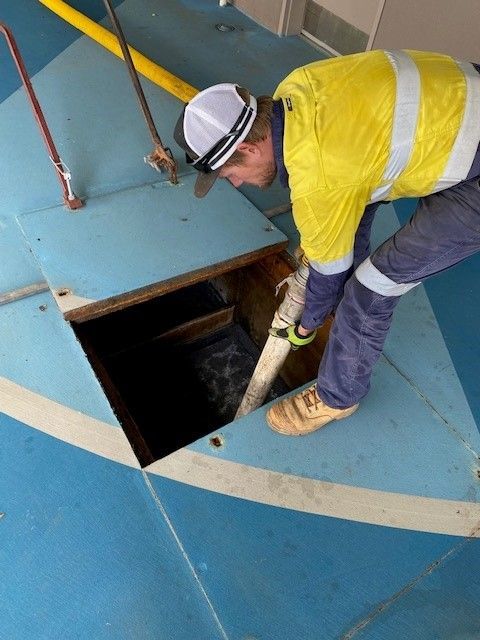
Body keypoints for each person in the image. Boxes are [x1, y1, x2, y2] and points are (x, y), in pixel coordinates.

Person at [173, 49, 480, 436]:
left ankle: (338, 397)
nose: (235, 184)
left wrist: (308, 326)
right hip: (461, 100)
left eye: (230, 173)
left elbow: (329, 276)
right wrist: (327, 248)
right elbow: (357, 183)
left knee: (372, 287)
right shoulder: (297, 86)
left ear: (248, 148)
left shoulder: (317, 179)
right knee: (356, 203)